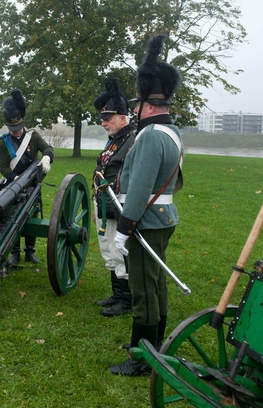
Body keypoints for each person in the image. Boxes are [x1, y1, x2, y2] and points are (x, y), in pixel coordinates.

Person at [109, 35, 184, 376]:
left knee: (142, 289)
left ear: (148, 105)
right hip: (162, 217)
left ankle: (142, 357)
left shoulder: (151, 136)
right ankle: (156, 343)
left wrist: (124, 228)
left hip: (145, 222)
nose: (135, 108)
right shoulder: (172, 132)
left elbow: (139, 189)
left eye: (137, 103)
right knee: (156, 284)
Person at [92, 77, 136, 317]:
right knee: (108, 249)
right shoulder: (115, 142)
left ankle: (126, 300)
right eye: (103, 119)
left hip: (118, 203)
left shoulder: (132, 141)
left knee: (119, 251)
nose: (104, 123)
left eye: (108, 118)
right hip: (104, 202)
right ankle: (117, 294)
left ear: (123, 117)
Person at [0, 89, 54, 264]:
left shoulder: (33, 137)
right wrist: (14, 179)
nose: (16, 131)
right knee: (11, 217)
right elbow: (3, 166)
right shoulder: (2, 142)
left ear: (22, 122)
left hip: (31, 184)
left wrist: (46, 158)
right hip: (12, 184)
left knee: (33, 215)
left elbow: (48, 148)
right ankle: (15, 253)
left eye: (18, 127)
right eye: (12, 129)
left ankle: (30, 252)